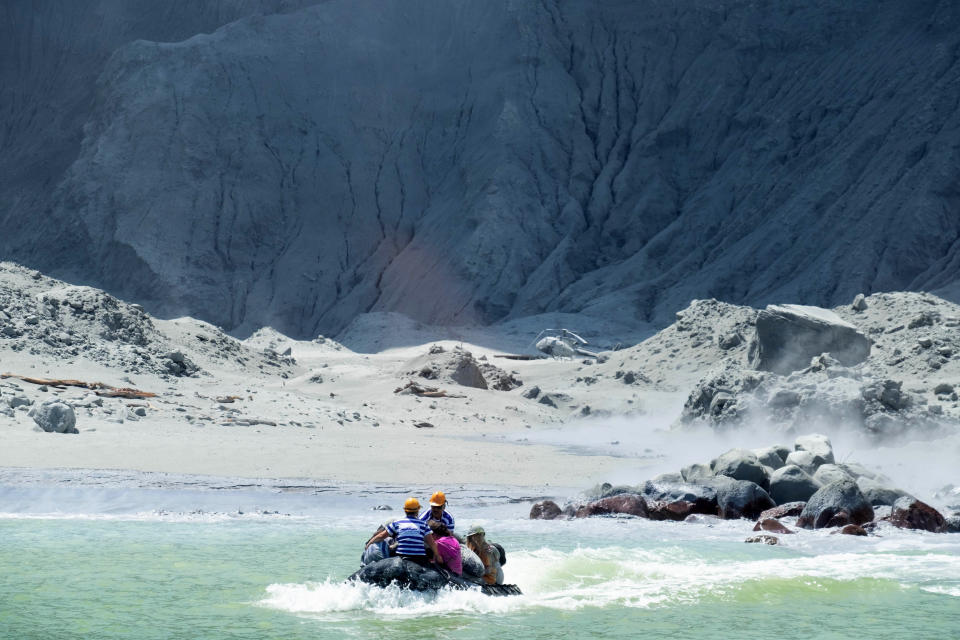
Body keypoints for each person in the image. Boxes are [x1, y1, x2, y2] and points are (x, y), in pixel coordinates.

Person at [366, 497, 439, 567]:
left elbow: (381, 536)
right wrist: (438, 556)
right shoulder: (423, 524)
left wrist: (369, 544)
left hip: (401, 557)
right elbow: (431, 543)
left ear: (405, 510)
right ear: (418, 510)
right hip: (419, 559)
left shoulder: (397, 522)